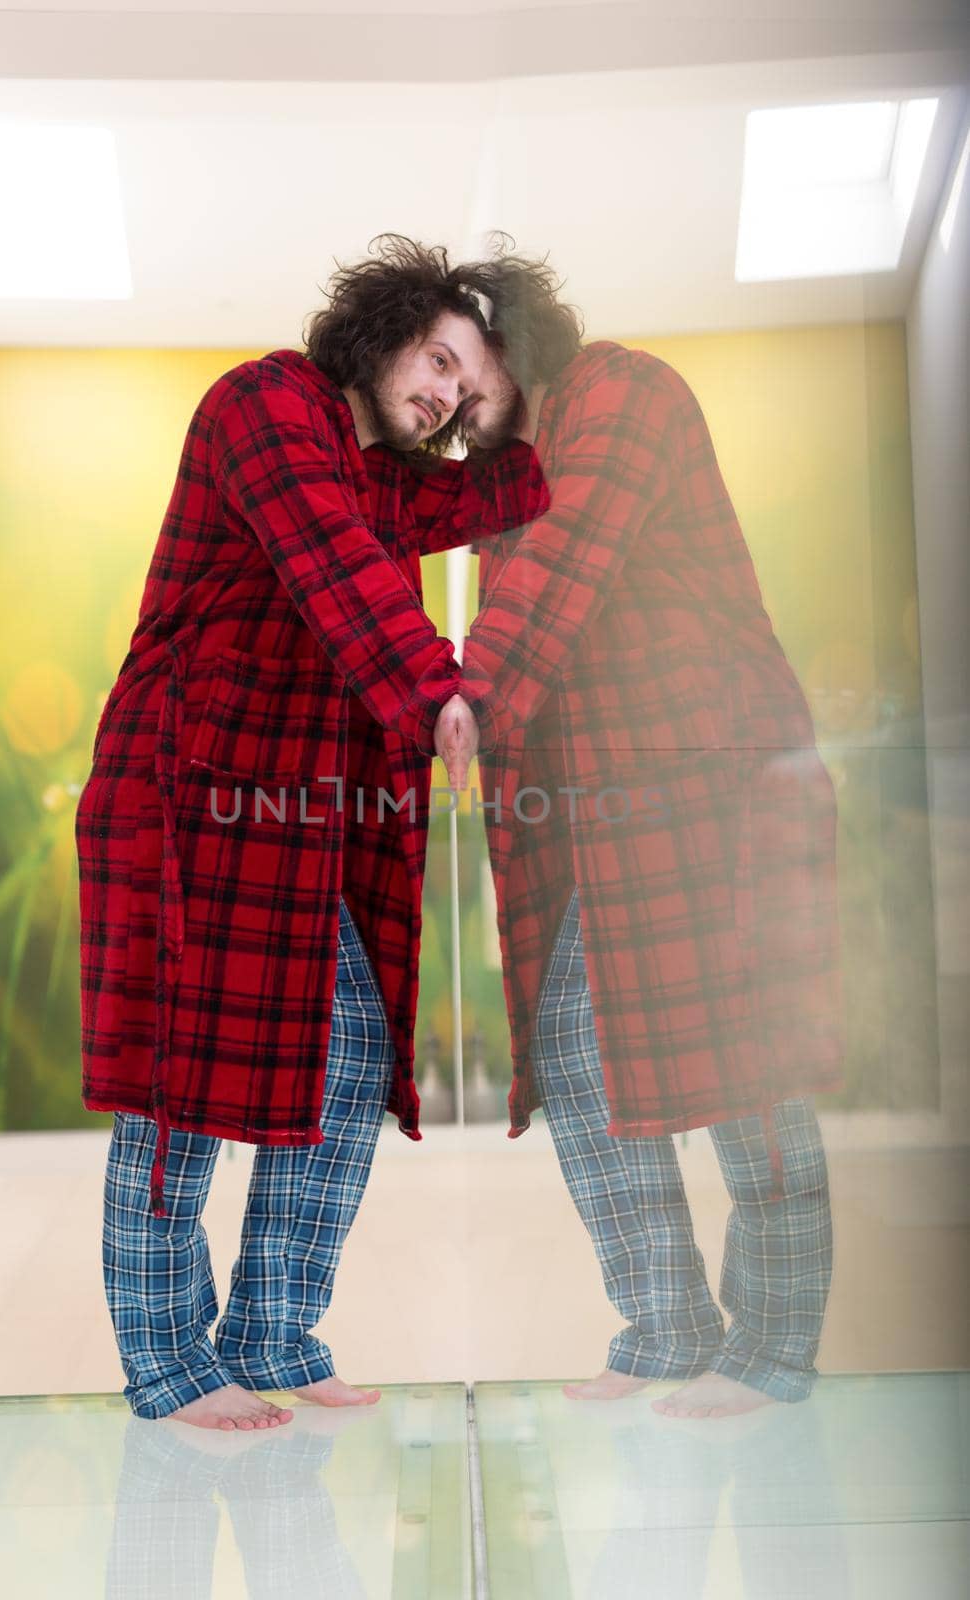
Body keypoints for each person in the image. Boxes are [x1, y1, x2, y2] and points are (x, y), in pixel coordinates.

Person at [75, 237, 548, 1431]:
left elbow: (491, 490)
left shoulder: (371, 470)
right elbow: (328, 556)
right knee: (178, 1091)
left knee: (343, 1063)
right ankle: (170, 1363)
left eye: (463, 385)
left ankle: (274, 1335)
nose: (442, 392)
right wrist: (435, 683)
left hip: (298, 822)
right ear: (380, 327)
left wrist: (515, 408)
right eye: (437, 357)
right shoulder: (266, 404)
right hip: (186, 796)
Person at [453, 248, 844, 1418]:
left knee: (747, 1067)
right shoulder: (500, 480)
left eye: (454, 360)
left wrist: (455, 698)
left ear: (509, 337)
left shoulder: (624, 392)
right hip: (597, 815)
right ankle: (666, 1323)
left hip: (711, 783)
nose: (443, 397)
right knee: (576, 1056)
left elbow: (563, 570)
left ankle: (771, 1350)